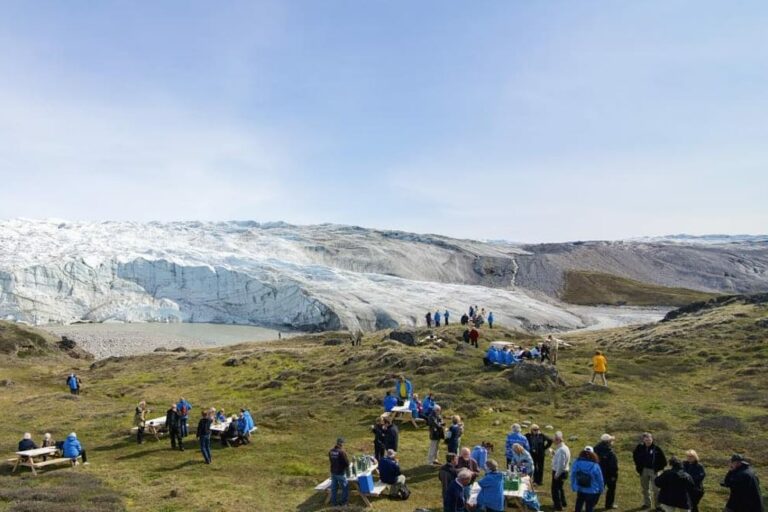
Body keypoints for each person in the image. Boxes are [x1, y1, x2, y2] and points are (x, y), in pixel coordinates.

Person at [633, 432, 668, 510]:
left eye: (649, 440)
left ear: (652, 439)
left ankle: (658, 505)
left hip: (654, 471)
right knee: (645, 488)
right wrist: (638, 466)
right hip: (643, 470)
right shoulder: (639, 447)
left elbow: (664, 461)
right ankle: (647, 504)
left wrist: (658, 469)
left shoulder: (657, 448)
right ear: (643, 440)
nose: (648, 442)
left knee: (656, 489)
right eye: (646, 440)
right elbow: (635, 456)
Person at [571, 447, 605, 512]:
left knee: (578, 506)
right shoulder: (595, 465)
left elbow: (573, 475)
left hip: (580, 488)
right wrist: (601, 489)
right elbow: (600, 479)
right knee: (589, 507)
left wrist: (573, 486)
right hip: (592, 490)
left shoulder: (577, 462)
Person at [594, 433, 619, 509]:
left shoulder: (595, 449)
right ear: (608, 442)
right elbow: (613, 466)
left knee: (597, 490)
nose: (612, 442)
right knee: (611, 489)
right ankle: (609, 505)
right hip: (609, 475)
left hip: (598, 473)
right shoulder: (610, 452)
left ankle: (591, 504)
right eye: (611, 440)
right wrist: (614, 475)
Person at [551, 431, 571, 511]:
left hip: (560, 472)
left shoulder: (562, 450)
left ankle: (558, 506)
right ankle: (563, 502)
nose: (553, 441)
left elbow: (561, 464)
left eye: (555, 440)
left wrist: (556, 474)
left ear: (559, 440)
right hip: (563, 471)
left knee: (555, 490)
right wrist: (554, 453)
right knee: (560, 488)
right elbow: (561, 459)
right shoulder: (564, 448)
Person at [328, 437, 350, 507]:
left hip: (333, 472)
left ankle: (334, 502)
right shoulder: (341, 452)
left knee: (334, 488)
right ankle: (344, 502)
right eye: (343, 443)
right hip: (340, 473)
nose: (343, 445)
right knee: (345, 487)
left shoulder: (331, 451)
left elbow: (331, 461)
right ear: (341, 444)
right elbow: (346, 463)